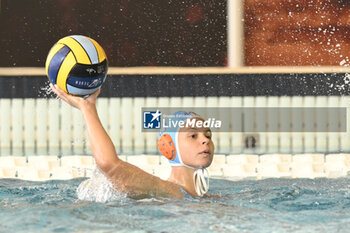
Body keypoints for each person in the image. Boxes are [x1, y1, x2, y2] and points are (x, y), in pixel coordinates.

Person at [50, 84, 215, 199]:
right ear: (169, 146)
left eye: (208, 135)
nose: (205, 141)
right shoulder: (168, 191)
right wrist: (87, 106)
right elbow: (109, 165)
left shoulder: (209, 198)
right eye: (193, 135)